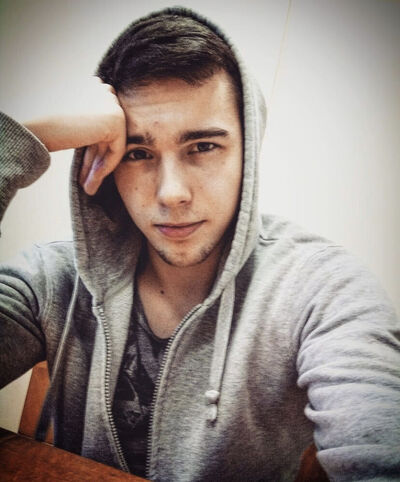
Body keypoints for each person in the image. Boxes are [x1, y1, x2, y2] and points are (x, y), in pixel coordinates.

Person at [0, 7, 399, 481]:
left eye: (203, 146)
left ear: (248, 151)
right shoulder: (52, 279)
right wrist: (19, 136)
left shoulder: (321, 289)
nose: (172, 193)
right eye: (138, 153)